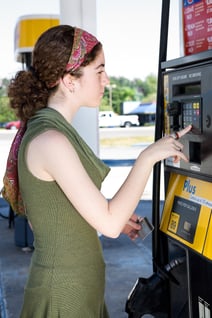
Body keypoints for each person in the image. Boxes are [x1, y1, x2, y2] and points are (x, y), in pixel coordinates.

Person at [7, 24, 191, 318]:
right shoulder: (51, 139)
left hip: (78, 288)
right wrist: (147, 158)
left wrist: (109, 214)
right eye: (99, 70)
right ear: (69, 80)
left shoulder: (52, 130)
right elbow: (108, 224)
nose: (107, 80)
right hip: (64, 295)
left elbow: (49, 217)